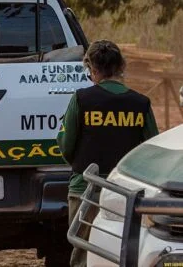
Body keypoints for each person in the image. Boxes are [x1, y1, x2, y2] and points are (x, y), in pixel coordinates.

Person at [57, 40, 159, 267]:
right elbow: (151, 149)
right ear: (121, 66)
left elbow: (65, 144)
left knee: (84, 253)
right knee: (126, 254)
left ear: (92, 70)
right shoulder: (140, 103)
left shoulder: (81, 99)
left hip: (86, 189)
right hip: (127, 195)